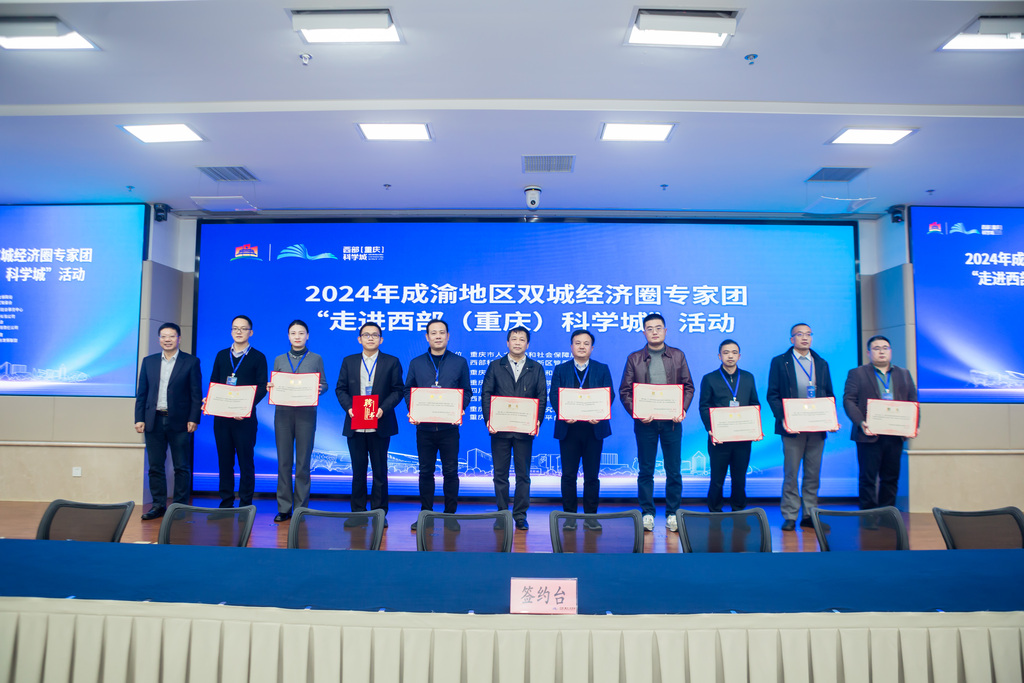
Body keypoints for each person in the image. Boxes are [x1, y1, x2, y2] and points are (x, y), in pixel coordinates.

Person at [618, 313, 695, 533]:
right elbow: (625, 391)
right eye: (650, 328)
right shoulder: (634, 358)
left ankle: (673, 513)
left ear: (665, 331)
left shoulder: (678, 355)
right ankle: (647, 513)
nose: (654, 332)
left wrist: (682, 409)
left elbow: (688, 386)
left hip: (672, 422)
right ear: (644, 332)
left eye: (658, 328)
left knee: (674, 471)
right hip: (646, 423)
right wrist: (637, 412)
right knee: (646, 470)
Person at [766, 323, 837, 531]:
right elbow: (772, 395)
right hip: (792, 428)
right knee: (791, 474)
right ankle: (790, 515)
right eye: (799, 334)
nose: (804, 338)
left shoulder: (821, 363)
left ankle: (809, 514)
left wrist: (831, 419)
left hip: (817, 428)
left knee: (813, 474)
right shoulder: (780, 362)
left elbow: (829, 394)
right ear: (792, 339)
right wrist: (784, 418)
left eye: (808, 334)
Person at [404, 319, 472, 530]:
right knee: (425, 472)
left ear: (448, 336)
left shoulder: (459, 362)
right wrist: (413, 409)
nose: (438, 336)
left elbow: (467, 391)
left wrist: (460, 407)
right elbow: (408, 390)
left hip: (449, 428)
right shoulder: (416, 362)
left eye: (442, 332)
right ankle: (426, 514)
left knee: (450, 472)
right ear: (427, 337)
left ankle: (450, 515)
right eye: (433, 333)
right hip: (424, 428)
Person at [335, 322, 405, 524]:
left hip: (380, 424)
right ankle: (358, 512)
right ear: (359, 339)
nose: (371, 338)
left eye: (375, 335)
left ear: (381, 339)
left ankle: (379, 513)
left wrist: (383, 408)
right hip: (355, 423)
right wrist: (350, 408)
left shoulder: (391, 362)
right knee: (358, 471)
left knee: (380, 471)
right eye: (366, 335)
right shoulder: (349, 361)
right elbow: (340, 389)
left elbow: (398, 390)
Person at [481, 326, 547, 531]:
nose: (517, 342)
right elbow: (486, 394)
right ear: (507, 342)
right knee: (500, 475)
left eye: (522, 339)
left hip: (524, 430)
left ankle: (520, 515)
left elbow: (542, 397)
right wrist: (489, 420)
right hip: (500, 430)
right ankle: (502, 513)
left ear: (528, 344)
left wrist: (536, 421)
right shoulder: (495, 366)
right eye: (514, 339)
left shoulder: (536, 368)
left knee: (523, 476)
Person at [134, 322, 202, 520]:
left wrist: (194, 418)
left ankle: (179, 507)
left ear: (179, 338)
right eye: (163, 336)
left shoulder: (191, 362)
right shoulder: (149, 362)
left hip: (180, 422)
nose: (167, 340)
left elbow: (196, 393)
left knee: (181, 466)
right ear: (159, 340)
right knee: (155, 467)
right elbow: (142, 393)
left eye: (171, 336)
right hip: (153, 420)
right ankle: (158, 506)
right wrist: (139, 418)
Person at [843, 335, 918, 510]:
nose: (881, 352)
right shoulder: (857, 373)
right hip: (869, 434)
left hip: (895, 435)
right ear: (869, 353)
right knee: (868, 478)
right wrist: (861, 422)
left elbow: (913, 401)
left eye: (885, 348)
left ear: (890, 351)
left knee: (891, 478)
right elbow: (849, 400)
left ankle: (887, 514)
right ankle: (868, 515)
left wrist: (914, 425)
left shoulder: (904, 374)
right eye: (876, 348)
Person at [549, 329, 613, 528]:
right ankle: (570, 517)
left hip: (594, 430)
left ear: (592, 348)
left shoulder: (602, 369)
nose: (582, 347)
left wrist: (600, 413)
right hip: (569, 430)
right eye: (578, 343)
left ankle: (591, 517)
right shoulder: (561, 369)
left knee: (592, 476)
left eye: (586, 343)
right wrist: (564, 413)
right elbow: (554, 396)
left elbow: (609, 395)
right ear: (571, 347)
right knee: (568, 475)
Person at [268, 319, 328, 523]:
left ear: (307, 336)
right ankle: (284, 508)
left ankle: (301, 508)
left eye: (301, 333)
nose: (297, 336)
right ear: (288, 336)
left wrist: (320, 388)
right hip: (283, 414)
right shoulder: (279, 359)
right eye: (293, 333)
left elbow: (325, 384)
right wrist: (271, 387)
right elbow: (275, 384)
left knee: (303, 463)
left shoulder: (316, 358)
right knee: (284, 462)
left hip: (306, 415)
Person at [207, 315, 267, 508]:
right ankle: (226, 502)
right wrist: (210, 400)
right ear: (231, 331)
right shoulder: (221, 355)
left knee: (245, 461)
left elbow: (262, 387)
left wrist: (246, 407)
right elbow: (214, 383)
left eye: (243, 328)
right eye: (235, 328)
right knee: (224, 461)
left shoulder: (258, 357)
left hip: (245, 419)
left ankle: (246, 504)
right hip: (222, 418)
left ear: (251, 332)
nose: (239, 332)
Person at [698, 339, 761, 512]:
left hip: (742, 437)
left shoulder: (748, 377)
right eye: (726, 353)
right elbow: (704, 406)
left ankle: (738, 509)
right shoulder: (710, 378)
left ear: (739, 356)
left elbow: (755, 404)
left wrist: (754, 428)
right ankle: (715, 510)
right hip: (719, 437)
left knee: (739, 478)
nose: (730, 356)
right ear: (719, 356)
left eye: (734, 352)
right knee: (717, 478)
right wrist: (710, 428)